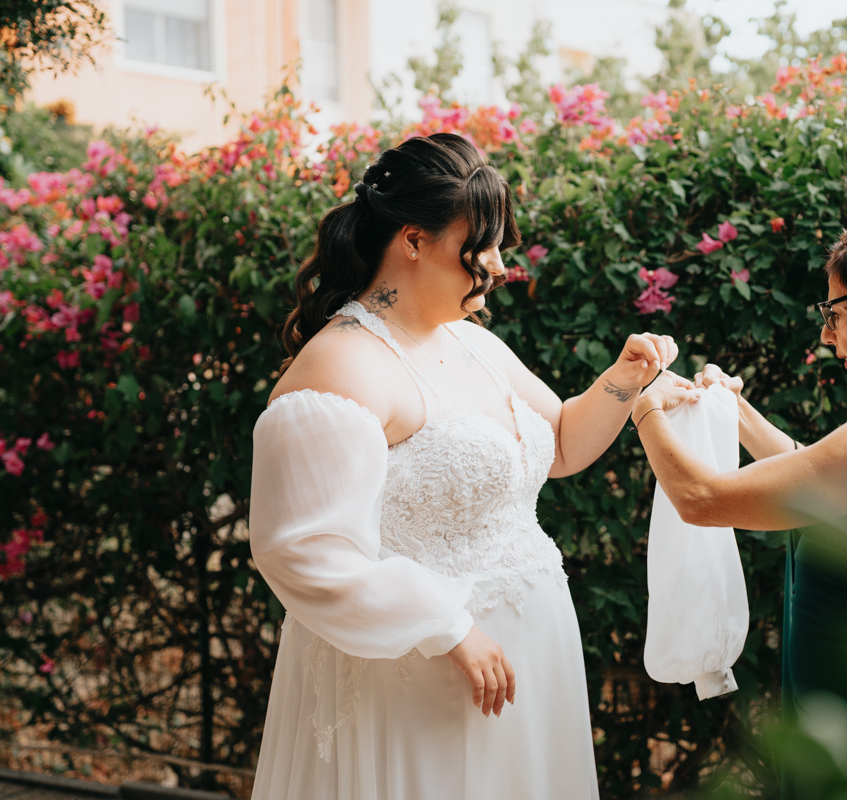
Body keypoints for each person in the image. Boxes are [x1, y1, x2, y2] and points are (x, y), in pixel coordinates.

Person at [247, 132, 678, 800]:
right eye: (481, 245)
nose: (500, 265)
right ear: (414, 241)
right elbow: (302, 550)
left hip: (528, 656)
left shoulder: (475, 345)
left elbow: (560, 444)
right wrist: (446, 628)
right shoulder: (342, 366)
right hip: (422, 673)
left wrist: (625, 381)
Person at [631, 218, 847, 799]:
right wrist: (733, 410)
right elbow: (814, 470)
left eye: (834, 314)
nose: (827, 337)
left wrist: (645, 411)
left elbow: (701, 500)